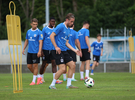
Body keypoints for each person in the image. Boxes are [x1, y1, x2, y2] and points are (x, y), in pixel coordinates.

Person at [49, 13, 81, 89]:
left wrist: (75, 50)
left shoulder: (68, 30)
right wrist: (56, 47)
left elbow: (66, 43)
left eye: (73, 22)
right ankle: (52, 85)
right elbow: (51, 36)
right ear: (67, 20)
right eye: (71, 21)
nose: (72, 23)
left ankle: (69, 85)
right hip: (57, 51)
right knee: (63, 69)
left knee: (72, 65)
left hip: (64, 50)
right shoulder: (60, 26)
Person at [38, 17, 62, 84]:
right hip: (45, 49)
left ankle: (55, 79)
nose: (53, 23)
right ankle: (41, 78)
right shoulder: (45, 29)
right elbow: (41, 40)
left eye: (54, 22)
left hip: (53, 49)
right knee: (44, 64)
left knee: (54, 63)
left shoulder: (55, 30)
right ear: (49, 22)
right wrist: (41, 50)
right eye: (52, 21)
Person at [22, 18, 43, 85]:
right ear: (31, 24)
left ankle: (33, 81)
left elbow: (40, 42)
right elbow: (26, 40)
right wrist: (23, 49)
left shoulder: (39, 32)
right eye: (34, 24)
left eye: (36, 24)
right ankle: (39, 77)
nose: (35, 26)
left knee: (35, 66)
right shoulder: (28, 31)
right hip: (29, 51)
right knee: (29, 66)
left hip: (36, 52)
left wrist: (39, 51)